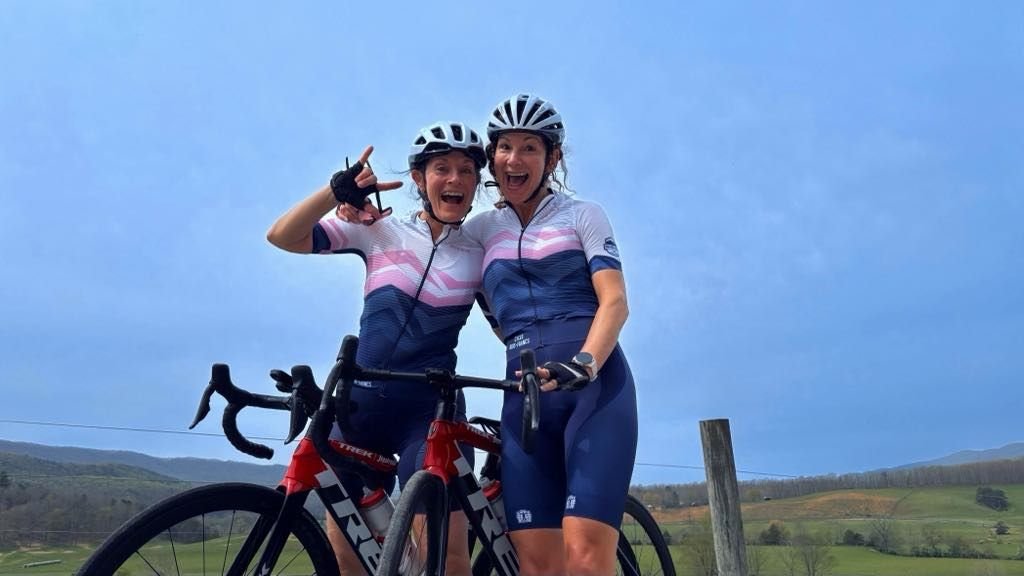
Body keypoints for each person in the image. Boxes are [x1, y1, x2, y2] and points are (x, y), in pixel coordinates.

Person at [266, 121, 488, 576]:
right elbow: (282, 236)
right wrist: (335, 192)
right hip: (358, 407)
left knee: (444, 563)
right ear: (418, 180)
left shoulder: (480, 251)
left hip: (427, 412)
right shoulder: (378, 232)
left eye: (466, 170)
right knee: (352, 558)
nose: (455, 179)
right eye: (441, 168)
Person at [463, 93, 638, 576]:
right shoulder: (479, 231)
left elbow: (615, 302)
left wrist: (582, 363)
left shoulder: (583, 214)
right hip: (524, 397)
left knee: (584, 558)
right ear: (492, 156)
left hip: (593, 388)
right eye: (504, 148)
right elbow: (429, 248)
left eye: (529, 148)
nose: (514, 160)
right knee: (537, 566)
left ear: (552, 158)